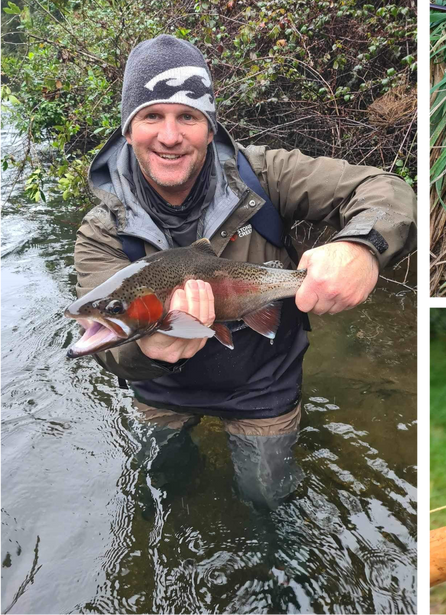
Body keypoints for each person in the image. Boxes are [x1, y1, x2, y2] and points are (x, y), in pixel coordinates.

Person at [72, 34, 419, 509]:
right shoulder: (101, 231)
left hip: (263, 385)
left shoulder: (265, 174)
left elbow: (384, 188)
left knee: (266, 499)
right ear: (128, 130)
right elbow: (107, 352)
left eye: (188, 117)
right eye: (152, 116)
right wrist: (148, 348)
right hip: (160, 392)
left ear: (210, 128)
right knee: (163, 490)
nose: (170, 136)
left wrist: (362, 247)